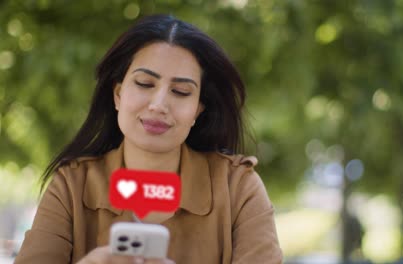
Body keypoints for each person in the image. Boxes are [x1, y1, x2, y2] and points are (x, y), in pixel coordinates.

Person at [14, 14, 282, 264]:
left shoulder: (238, 187)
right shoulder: (71, 185)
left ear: (198, 109)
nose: (159, 104)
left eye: (180, 91)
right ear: (118, 94)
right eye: (144, 84)